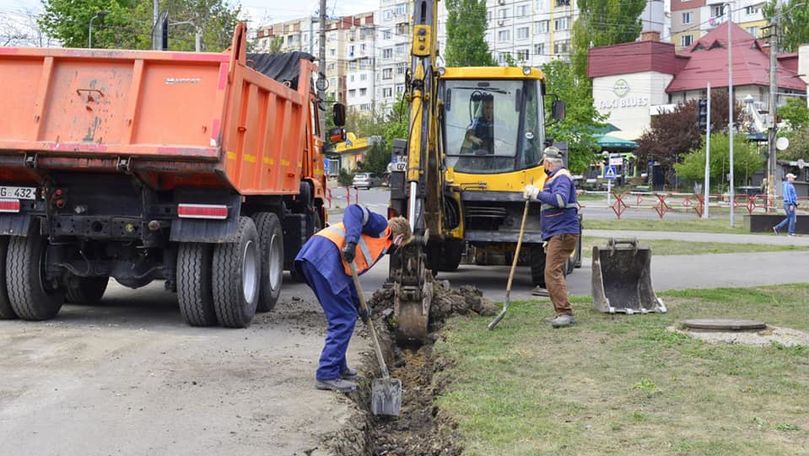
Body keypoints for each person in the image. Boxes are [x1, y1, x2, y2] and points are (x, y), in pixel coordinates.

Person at [294, 205, 412, 393]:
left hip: (318, 258)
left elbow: (349, 278)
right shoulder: (381, 226)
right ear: (399, 238)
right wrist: (351, 242)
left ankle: (339, 367)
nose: (397, 249)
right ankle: (327, 374)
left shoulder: (379, 244)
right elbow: (354, 210)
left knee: (345, 314)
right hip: (324, 256)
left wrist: (360, 305)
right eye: (400, 245)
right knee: (343, 318)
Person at [523, 146, 580, 328]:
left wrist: (537, 193)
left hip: (562, 232)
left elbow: (561, 200)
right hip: (558, 232)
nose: (543, 167)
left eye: (544, 163)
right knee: (553, 272)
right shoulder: (555, 177)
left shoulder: (561, 176)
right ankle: (562, 312)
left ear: (548, 162)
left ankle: (564, 313)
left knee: (551, 272)